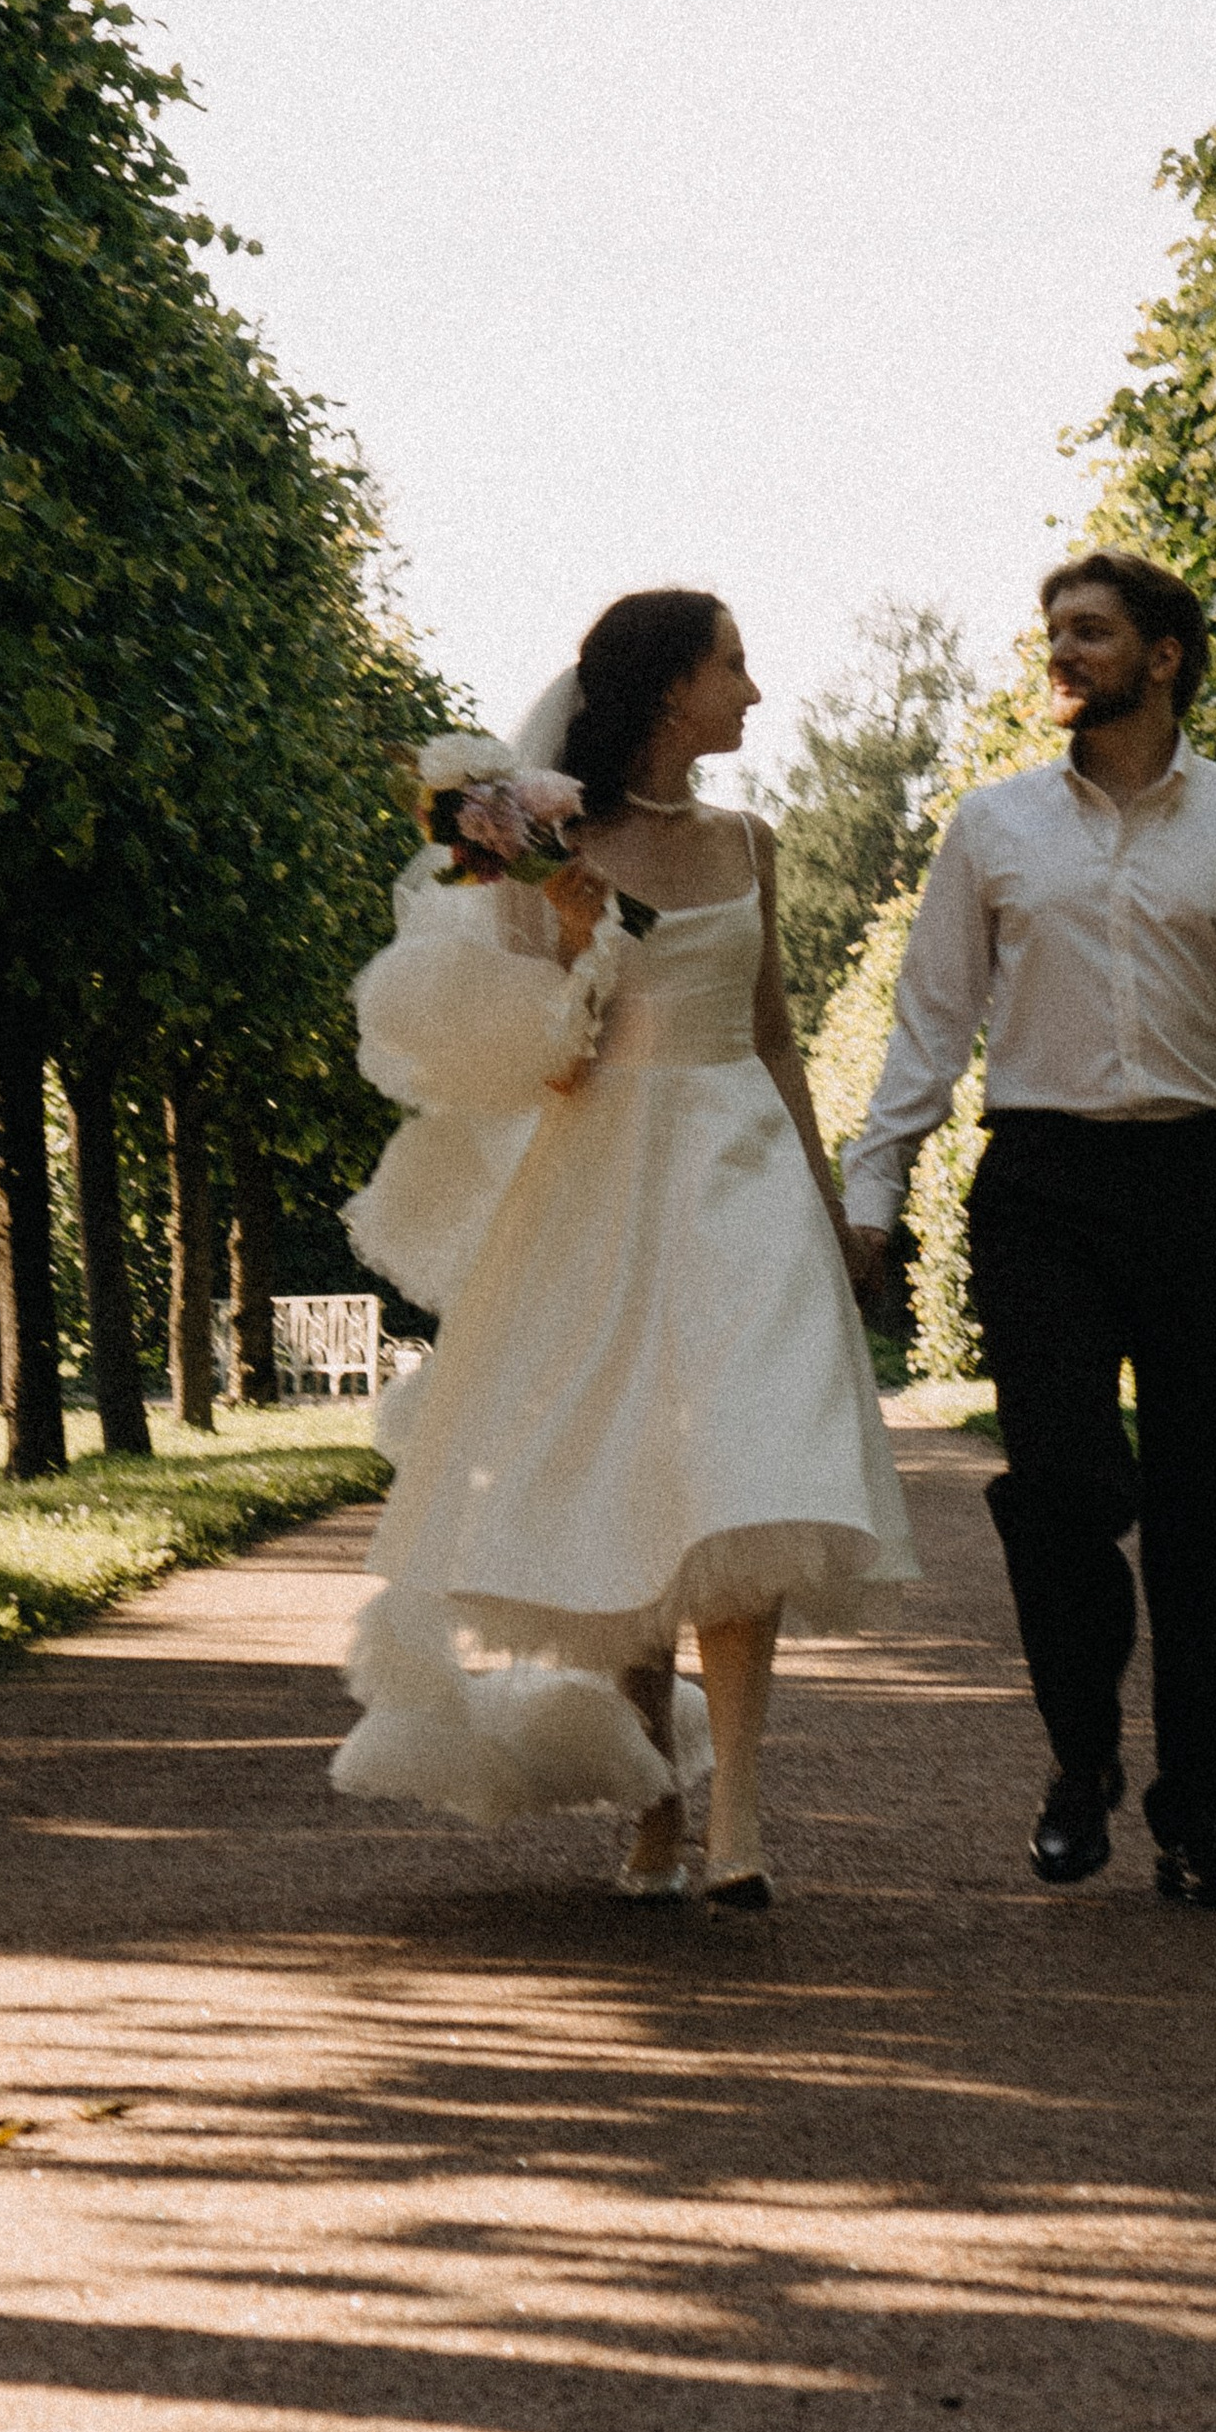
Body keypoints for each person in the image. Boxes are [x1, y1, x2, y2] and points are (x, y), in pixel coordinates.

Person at [333, 588, 917, 1910]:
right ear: (670, 689)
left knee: (750, 1470)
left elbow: (772, 1033)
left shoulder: (750, 843)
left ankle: (744, 1819)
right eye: (735, 666)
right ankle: (655, 1791)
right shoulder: (540, 833)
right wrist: (575, 937)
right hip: (605, 1167)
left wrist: (824, 1204)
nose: (754, 693)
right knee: (642, 1473)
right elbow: (529, 1048)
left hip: (744, 1174)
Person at [843, 549, 1216, 1912]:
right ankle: (1080, 1761)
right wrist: (873, 1191)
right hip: (1043, 1187)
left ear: (1164, 655)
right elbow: (930, 1024)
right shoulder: (992, 829)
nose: (1064, 653)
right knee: (1067, 1487)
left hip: (1212, 1189)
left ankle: (1195, 1816)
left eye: (1091, 633)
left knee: (1212, 1517)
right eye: (1055, 633)